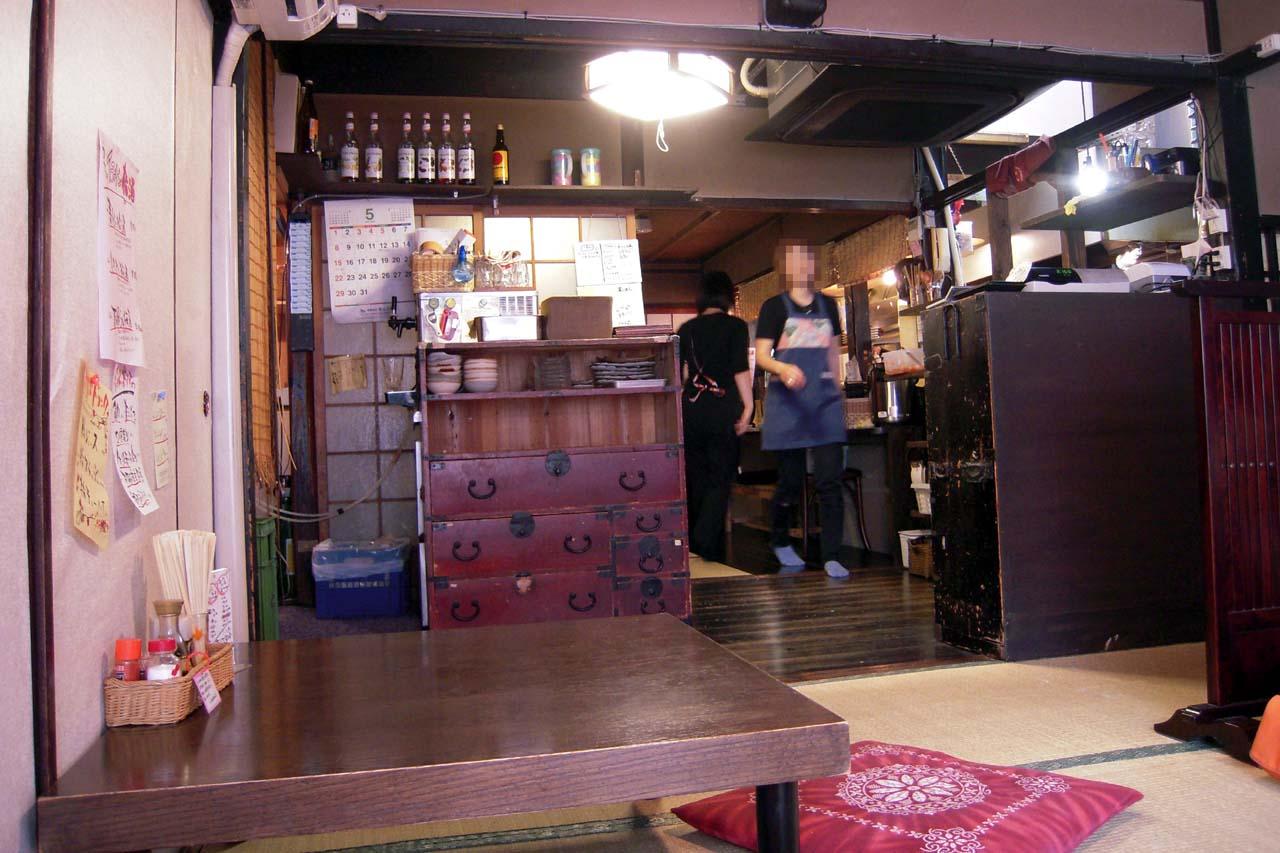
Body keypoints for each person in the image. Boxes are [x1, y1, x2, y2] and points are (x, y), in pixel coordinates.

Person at [754, 240, 849, 579]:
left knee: (830, 481)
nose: (802, 267)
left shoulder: (828, 305)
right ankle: (780, 539)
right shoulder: (773, 307)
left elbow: (833, 352)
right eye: (794, 261)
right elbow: (762, 357)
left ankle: (832, 555)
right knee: (791, 482)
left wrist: (837, 390)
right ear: (785, 268)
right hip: (788, 405)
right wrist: (783, 368)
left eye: (807, 260)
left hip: (824, 403)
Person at [678, 271, 752, 563]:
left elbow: (682, 375)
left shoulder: (686, 329)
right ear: (727, 296)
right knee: (722, 476)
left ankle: (696, 547)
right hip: (722, 408)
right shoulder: (736, 327)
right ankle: (705, 540)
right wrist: (748, 407)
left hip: (692, 408)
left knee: (696, 476)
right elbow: (740, 369)